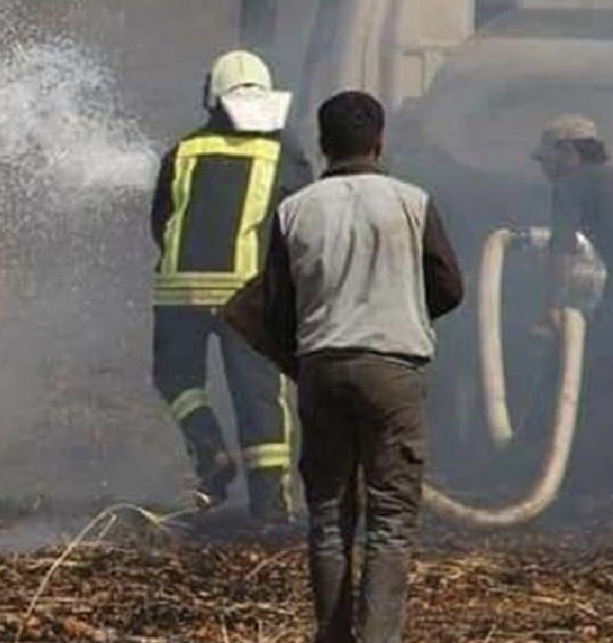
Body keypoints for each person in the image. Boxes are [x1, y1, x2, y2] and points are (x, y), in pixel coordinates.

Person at [260, 91, 463, 643]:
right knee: (390, 520)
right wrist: (403, 309)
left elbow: (275, 308)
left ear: (323, 145)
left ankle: (332, 637)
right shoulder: (412, 202)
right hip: (394, 368)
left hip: (321, 365)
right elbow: (449, 287)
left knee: (327, 514)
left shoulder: (294, 209)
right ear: (380, 141)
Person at [150, 49, 311, 522]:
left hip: (178, 291)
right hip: (247, 293)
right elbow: (302, 220)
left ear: (212, 95)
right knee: (259, 395)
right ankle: (271, 505)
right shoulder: (283, 150)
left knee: (177, 379)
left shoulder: (183, 150)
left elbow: (160, 220)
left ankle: (209, 452)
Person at [532, 113, 613, 498]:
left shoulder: (572, 184)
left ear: (569, 152)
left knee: (597, 383)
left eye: (548, 159)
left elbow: (563, 249)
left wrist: (553, 305)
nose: (545, 169)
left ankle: (585, 489)